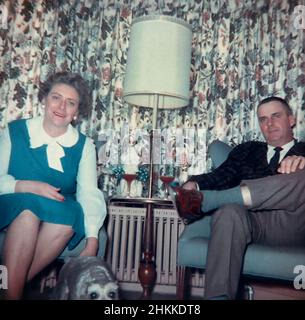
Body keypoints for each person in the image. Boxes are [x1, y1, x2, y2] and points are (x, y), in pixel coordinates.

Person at [172, 96, 305, 299]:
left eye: (276, 116)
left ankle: (211, 200)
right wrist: (193, 185)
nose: (269, 123)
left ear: (292, 120)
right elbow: (220, 175)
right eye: (263, 119)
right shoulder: (247, 150)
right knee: (229, 211)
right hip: (251, 224)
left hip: (292, 225)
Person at [0, 72, 107, 299]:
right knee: (27, 212)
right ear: (44, 99)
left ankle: (7, 290)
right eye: (56, 98)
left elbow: (89, 193)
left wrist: (92, 240)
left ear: (77, 112)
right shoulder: (15, 131)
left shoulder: (84, 145)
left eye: (71, 103)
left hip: (56, 208)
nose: (62, 106)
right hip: (12, 201)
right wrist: (28, 186)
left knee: (70, 216)